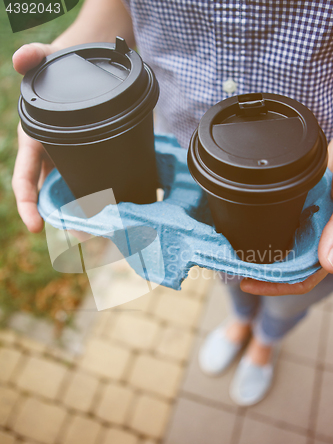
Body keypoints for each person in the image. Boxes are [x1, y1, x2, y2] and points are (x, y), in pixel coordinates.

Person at [12, 0, 333, 406]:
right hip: (185, 143)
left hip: (313, 168)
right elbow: (117, 7)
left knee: (288, 292)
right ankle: (239, 321)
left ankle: (266, 342)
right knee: (233, 273)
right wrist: (69, 62)